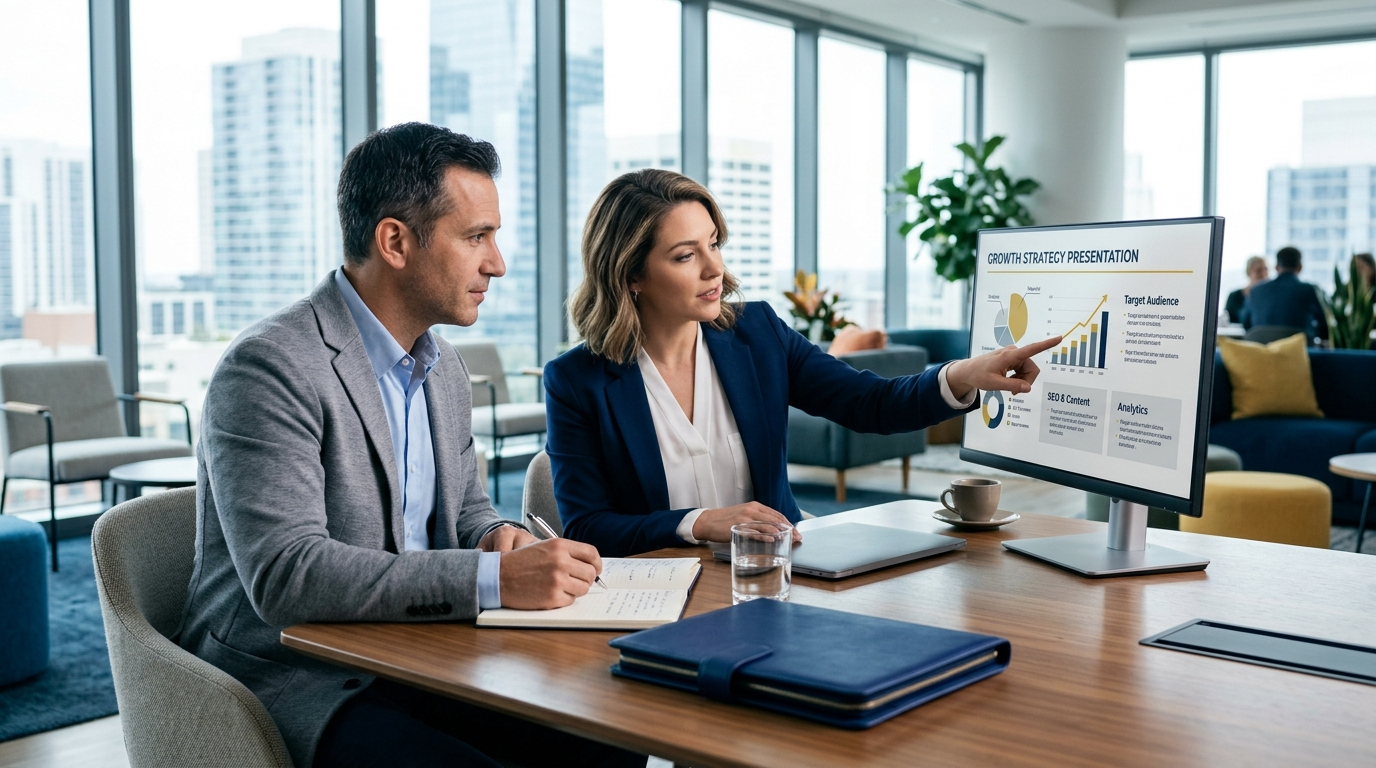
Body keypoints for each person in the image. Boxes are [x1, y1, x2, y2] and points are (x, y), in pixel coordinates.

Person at [176, 123, 643, 768]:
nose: (497, 263)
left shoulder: (443, 367)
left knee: (610, 735)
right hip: (302, 674)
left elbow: (466, 511)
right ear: (394, 241)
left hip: (425, 649)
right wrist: (494, 577)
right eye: (476, 237)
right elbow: (288, 576)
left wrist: (498, 538)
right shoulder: (269, 368)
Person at [543, 169, 1060, 557]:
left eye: (714, 244)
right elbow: (588, 528)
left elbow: (870, 403)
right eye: (685, 255)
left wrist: (961, 375)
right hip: (660, 597)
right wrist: (698, 523)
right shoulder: (575, 380)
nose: (714, 267)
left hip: (778, 578)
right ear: (630, 275)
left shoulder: (758, 333)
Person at [1241, 245, 1327, 340]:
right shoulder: (1311, 290)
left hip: (1262, 348)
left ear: (1276, 267)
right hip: (1298, 348)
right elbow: (1325, 326)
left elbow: (1246, 324)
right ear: (1300, 267)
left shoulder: (1255, 291)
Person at [1223, 255, 1268, 324]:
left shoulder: (1269, 297)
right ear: (1248, 272)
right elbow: (1227, 319)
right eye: (1259, 270)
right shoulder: (1235, 296)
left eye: (1266, 269)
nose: (1263, 274)